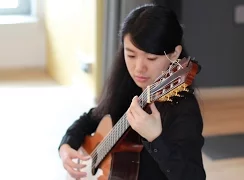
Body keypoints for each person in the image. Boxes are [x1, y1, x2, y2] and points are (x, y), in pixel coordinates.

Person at [58, 3, 206, 180]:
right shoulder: (127, 85)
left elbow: (193, 176)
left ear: (174, 55)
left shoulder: (184, 108)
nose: (138, 69)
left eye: (151, 58)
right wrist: (66, 146)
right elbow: (92, 118)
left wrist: (156, 138)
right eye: (131, 55)